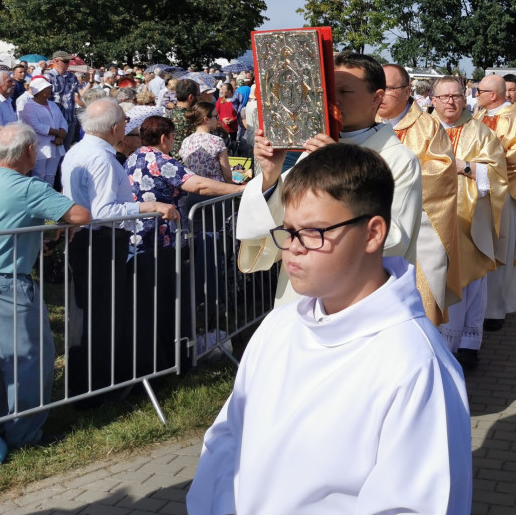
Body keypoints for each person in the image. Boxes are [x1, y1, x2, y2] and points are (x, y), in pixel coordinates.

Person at [187, 144, 472, 514]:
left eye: (313, 232)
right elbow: (227, 440)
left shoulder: (414, 364)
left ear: (373, 234)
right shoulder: (280, 324)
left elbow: (412, 505)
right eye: (289, 231)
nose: (292, 249)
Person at [237, 52, 422, 307]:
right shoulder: (315, 150)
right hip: (298, 295)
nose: (334, 100)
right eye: (329, 92)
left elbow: (392, 241)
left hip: (354, 301)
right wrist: (270, 175)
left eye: (345, 91)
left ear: (377, 98)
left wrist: (335, 170)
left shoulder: (399, 160)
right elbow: (285, 220)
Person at [0, 123, 91, 448]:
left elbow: (7, 217)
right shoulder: (29, 188)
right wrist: (59, 222)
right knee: (28, 359)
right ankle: (25, 435)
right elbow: (81, 215)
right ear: (30, 151)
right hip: (6, 283)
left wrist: (49, 224)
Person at [60, 99, 179, 400]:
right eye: (126, 121)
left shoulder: (81, 150)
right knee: (101, 316)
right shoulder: (100, 158)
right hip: (100, 241)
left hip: (90, 240)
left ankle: (91, 384)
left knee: (91, 314)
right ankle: (100, 388)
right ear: (115, 128)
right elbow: (103, 210)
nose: (128, 126)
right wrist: (149, 205)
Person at [126, 115, 243, 374]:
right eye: (172, 137)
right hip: (163, 238)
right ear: (165, 137)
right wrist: (238, 189)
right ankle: (173, 358)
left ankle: (161, 356)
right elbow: (199, 185)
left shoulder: (134, 157)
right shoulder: (162, 160)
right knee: (169, 300)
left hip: (139, 237)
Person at [431, 76, 507, 369]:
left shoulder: (480, 132)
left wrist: (463, 166)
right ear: (433, 100)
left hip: (470, 216)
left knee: (472, 281)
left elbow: (498, 174)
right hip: (431, 217)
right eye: (444, 96)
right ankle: (438, 340)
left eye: (456, 96)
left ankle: (467, 344)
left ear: (464, 99)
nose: (451, 101)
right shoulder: (424, 130)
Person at [377, 64, 459, 325]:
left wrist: (393, 180)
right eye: (376, 89)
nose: (380, 95)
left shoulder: (428, 127)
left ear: (406, 90)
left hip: (419, 228)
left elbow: (442, 172)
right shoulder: (366, 123)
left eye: (388, 88)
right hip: (373, 228)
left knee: (417, 308)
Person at [472, 74, 516, 330]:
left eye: (480, 91)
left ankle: (496, 310)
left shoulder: (513, 120)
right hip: (476, 191)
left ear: (494, 95)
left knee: (500, 250)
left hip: (503, 193)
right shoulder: (479, 115)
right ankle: (477, 306)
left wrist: (477, 168)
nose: (476, 95)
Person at [20, 77, 68, 186]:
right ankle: (38, 199)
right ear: (40, 91)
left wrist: (61, 135)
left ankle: (49, 198)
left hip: (56, 145)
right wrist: (57, 133)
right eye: (48, 88)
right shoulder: (29, 106)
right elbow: (36, 126)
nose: (50, 90)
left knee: (51, 175)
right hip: (41, 146)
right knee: (39, 175)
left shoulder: (53, 104)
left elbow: (62, 121)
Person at [179, 101, 234, 182]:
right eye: (216, 116)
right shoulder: (216, 141)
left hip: (193, 188)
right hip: (215, 189)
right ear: (206, 119)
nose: (217, 120)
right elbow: (228, 176)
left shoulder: (186, 141)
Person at [46, 51, 84, 148]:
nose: (68, 64)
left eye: (68, 61)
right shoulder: (48, 77)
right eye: (65, 61)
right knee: (55, 151)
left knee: (66, 151)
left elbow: (82, 93)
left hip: (70, 119)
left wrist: (91, 81)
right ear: (55, 61)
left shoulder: (72, 77)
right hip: (55, 122)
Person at [168, 78, 200, 159]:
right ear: (191, 97)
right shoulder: (190, 117)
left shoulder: (168, 114)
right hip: (187, 163)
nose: (200, 98)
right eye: (199, 95)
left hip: (170, 161)